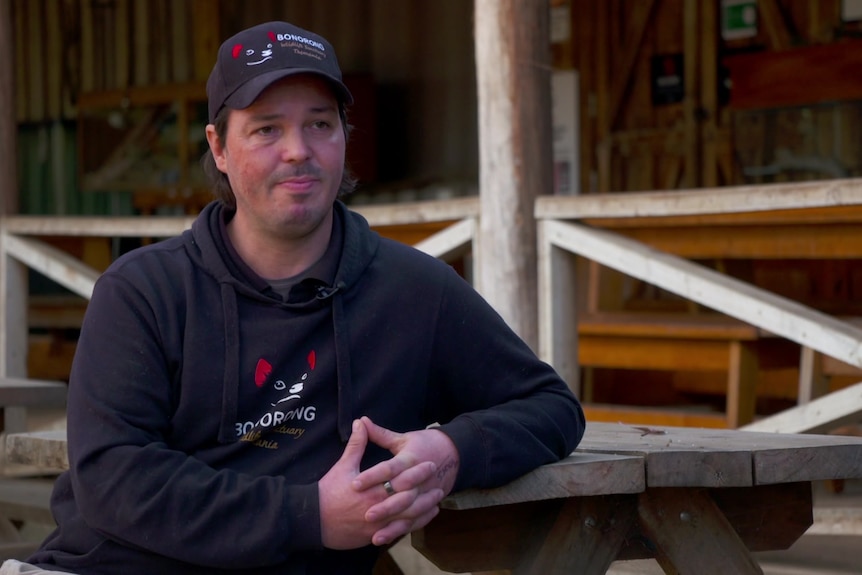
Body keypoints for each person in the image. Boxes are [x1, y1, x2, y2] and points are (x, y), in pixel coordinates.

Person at [6, 20, 585, 575]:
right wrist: (310, 517)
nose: (298, 150)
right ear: (220, 147)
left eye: (320, 124)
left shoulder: (413, 290)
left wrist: (449, 452)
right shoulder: (141, 292)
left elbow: (549, 406)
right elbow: (113, 479)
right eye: (265, 129)